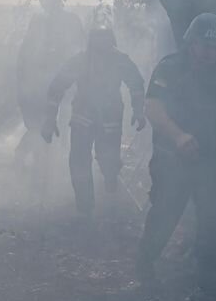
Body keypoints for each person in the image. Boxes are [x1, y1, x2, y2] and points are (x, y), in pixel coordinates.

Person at [134, 13, 216, 298]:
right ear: (191, 43)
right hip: (171, 155)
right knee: (166, 211)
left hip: (211, 156)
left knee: (213, 216)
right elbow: (153, 108)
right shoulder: (169, 68)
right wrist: (179, 137)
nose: (211, 54)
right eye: (205, 46)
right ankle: (145, 264)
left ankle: (211, 281)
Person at [41, 26, 147, 219]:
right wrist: (50, 118)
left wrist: (139, 110)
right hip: (82, 118)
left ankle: (111, 179)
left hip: (110, 120)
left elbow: (136, 84)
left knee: (109, 160)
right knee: (79, 161)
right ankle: (85, 208)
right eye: (97, 42)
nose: (100, 48)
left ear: (112, 42)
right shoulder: (80, 61)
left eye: (105, 41)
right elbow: (57, 87)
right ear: (90, 43)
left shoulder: (120, 60)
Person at [15, 0, 85, 184]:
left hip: (63, 82)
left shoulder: (70, 21)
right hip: (41, 84)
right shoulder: (38, 22)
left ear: (57, 1)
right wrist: (23, 78)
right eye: (43, 1)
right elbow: (26, 51)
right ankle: (39, 162)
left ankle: (55, 165)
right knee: (40, 124)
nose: (45, 5)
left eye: (48, 0)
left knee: (61, 121)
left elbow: (80, 49)